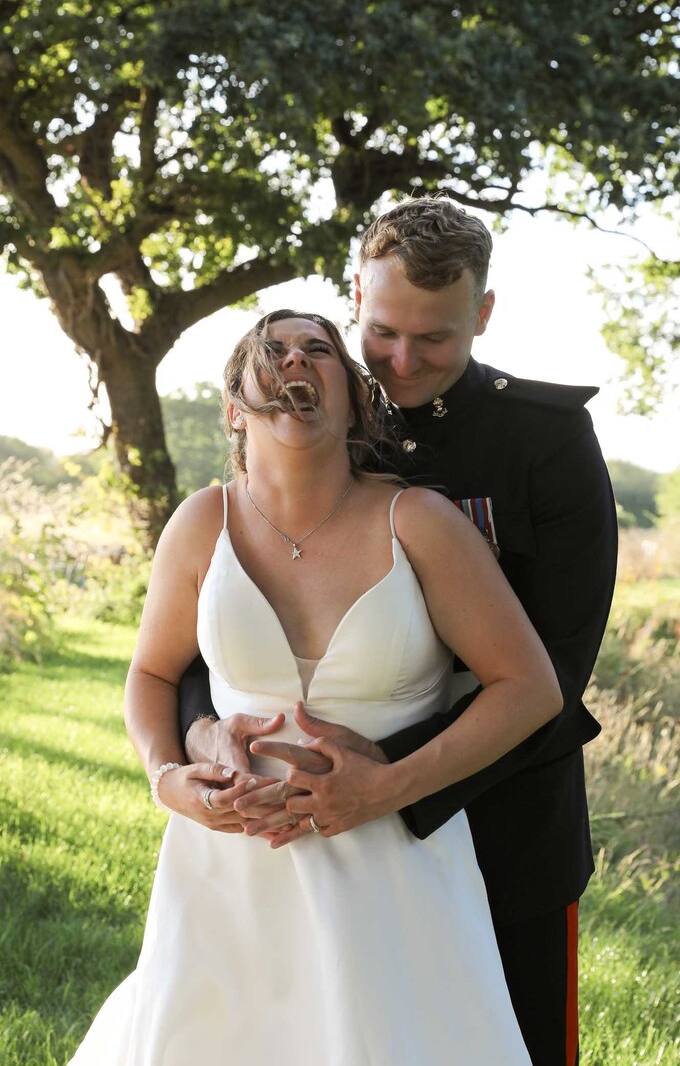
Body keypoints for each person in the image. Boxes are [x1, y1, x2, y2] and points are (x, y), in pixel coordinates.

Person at [181, 198, 618, 1065]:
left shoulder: (547, 441)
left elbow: (557, 671)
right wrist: (207, 732)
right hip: (309, 834)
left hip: (504, 822)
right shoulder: (300, 415)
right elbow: (215, 623)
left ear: (482, 316)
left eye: (437, 339)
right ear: (355, 299)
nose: (404, 360)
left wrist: (382, 775)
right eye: (382, 333)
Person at [69, 309, 563, 1065]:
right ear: (236, 406)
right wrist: (166, 777)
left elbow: (529, 687)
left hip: (394, 874)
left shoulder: (419, 521)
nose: (293, 359)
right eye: (271, 350)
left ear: (355, 399)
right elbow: (151, 672)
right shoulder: (202, 521)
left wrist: (387, 786)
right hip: (227, 874)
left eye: (317, 350)